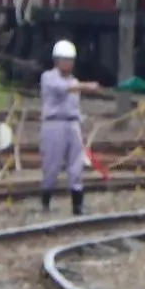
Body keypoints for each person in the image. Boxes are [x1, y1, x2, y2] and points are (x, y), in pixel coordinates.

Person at [39, 40, 99, 216]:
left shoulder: (74, 80)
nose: (68, 64)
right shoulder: (48, 77)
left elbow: (73, 103)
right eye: (64, 60)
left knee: (76, 164)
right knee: (52, 164)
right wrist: (86, 86)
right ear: (56, 60)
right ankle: (45, 201)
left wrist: (82, 119)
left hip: (72, 124)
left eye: (70, 60)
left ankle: (77, 205)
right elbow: (62, 88)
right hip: (54, 124)